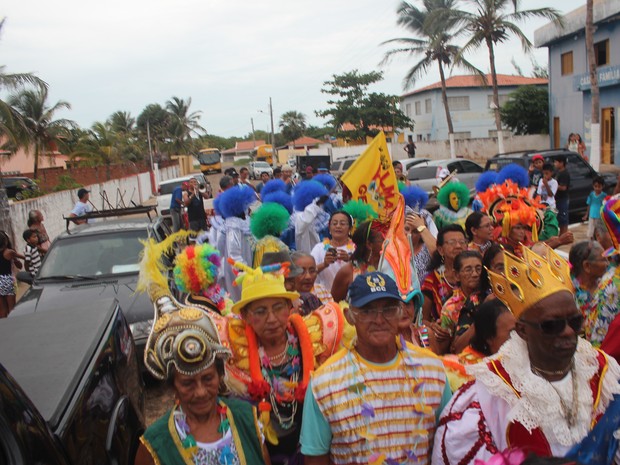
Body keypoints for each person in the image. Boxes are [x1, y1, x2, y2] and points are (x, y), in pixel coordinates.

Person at [432, 244, 620, 462]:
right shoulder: (493, 390)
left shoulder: (603, 372)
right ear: (522, 330)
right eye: (551, 325)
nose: (568, 332)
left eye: (575, 321)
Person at [300, 271, 451, 465]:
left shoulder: (433, 370)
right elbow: (316, 459)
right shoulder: (324, 382)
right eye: (367, 310)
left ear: (401, 313)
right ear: (350, 316)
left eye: (388, 309)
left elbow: (447, 444)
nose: (379, 320)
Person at [134, 282, 268, 465]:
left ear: (220, 376)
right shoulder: (156, 443)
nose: (201, 392)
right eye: (188, 383)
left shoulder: (246, 418)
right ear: (174, 385)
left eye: (208, 378)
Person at [226, 262, 344, 465]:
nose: (271, 319)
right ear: (245, 316)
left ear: (290, 308)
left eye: (278, 307)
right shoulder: (236, 355)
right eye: (260, 311)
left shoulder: (314, 342)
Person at [438, 250, 483, 354]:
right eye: (468, 270)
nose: (475, 274)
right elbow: (444, 348)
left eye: (478, 269)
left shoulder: (489, 298)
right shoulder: (450, 308)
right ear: (457, 275)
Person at [421, 224, 467, 322]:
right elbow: (424, 320)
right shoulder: (431, 280)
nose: (458, 246)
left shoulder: (476, 275)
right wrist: (434, 328)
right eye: (452, 242)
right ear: (441, 250)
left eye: (462, 242)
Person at [331, 220, 384, 302]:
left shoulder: (391, 267)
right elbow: (335, 304)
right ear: (369, 244)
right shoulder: (348, 271)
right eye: (383, 240)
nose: (388, 242)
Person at [569, 241, 609, 340]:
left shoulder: (606, 285)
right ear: (587, 266)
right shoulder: (569, 292)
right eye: (603, 260)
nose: (608, 264)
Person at [311, 211, 355, 292]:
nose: (338, 226)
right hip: (326, 296)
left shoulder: (356, 248)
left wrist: (350, 260)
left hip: (352, 296)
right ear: (329, 227)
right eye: (334, 223)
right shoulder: (319, 248)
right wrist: (325, 264)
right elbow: (309, 272)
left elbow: (366, 270)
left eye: (342, 224)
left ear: (350, 228)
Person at [0, 231, 24, 318]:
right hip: (6, 280)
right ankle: (13, 327)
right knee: (11, 308)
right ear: (5, 241)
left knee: (2, 310)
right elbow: (21, 264)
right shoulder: (9, 252)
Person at [554, 155, 570, 235]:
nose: (555, 164)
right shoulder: (557, 172)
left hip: (562, 198)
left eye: (556, 162)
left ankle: (564, 234)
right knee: (559, 217)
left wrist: (553, 185)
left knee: (563, 217)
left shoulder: (564, 174)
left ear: (561, 163)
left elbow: (563, 187)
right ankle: (561, 234)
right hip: (557, 198)